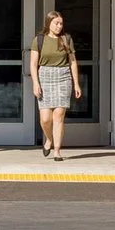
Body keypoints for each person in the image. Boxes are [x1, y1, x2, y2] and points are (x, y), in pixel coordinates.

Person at [29, 9, 81, 160]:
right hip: (45, 77)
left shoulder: (66, 39)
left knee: (59, 116)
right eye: (56, 23)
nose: (59, 26)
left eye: (61, 23)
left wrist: (76, 84)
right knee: (46, 119)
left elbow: (72, 62)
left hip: (63, 77)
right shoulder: (39, 40)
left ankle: (57, 151)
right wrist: (35, 83)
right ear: (49, 23)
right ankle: (49, 139)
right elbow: (33, 64)